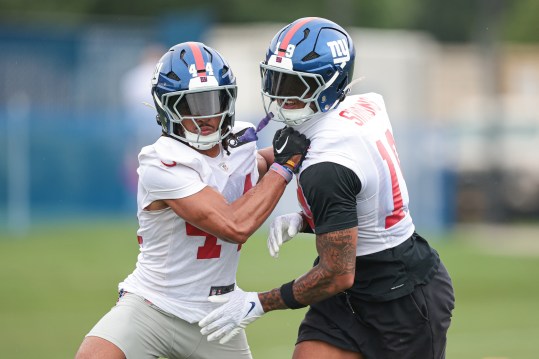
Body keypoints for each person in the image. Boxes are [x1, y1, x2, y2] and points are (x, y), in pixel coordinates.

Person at [198, 17, 455, 359]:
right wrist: (306, 220)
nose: (281, 92)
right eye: (277, 78)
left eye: (296, 83)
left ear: (330, 84)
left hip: (401, 297)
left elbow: (336, 274)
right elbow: (360, 194)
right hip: (357, 286)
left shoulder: (326, 166)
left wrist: (258, 302)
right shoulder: (362, 104)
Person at [75, 41, 310, 359]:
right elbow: (234, 225)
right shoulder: (160, 160)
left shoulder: (238, 143)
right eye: (189, 105)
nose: (205, 116)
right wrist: (285, 165)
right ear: (165, 108)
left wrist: (309, 146)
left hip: (217, 314)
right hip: (152, 307)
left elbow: (257, 164)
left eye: (212, 101)